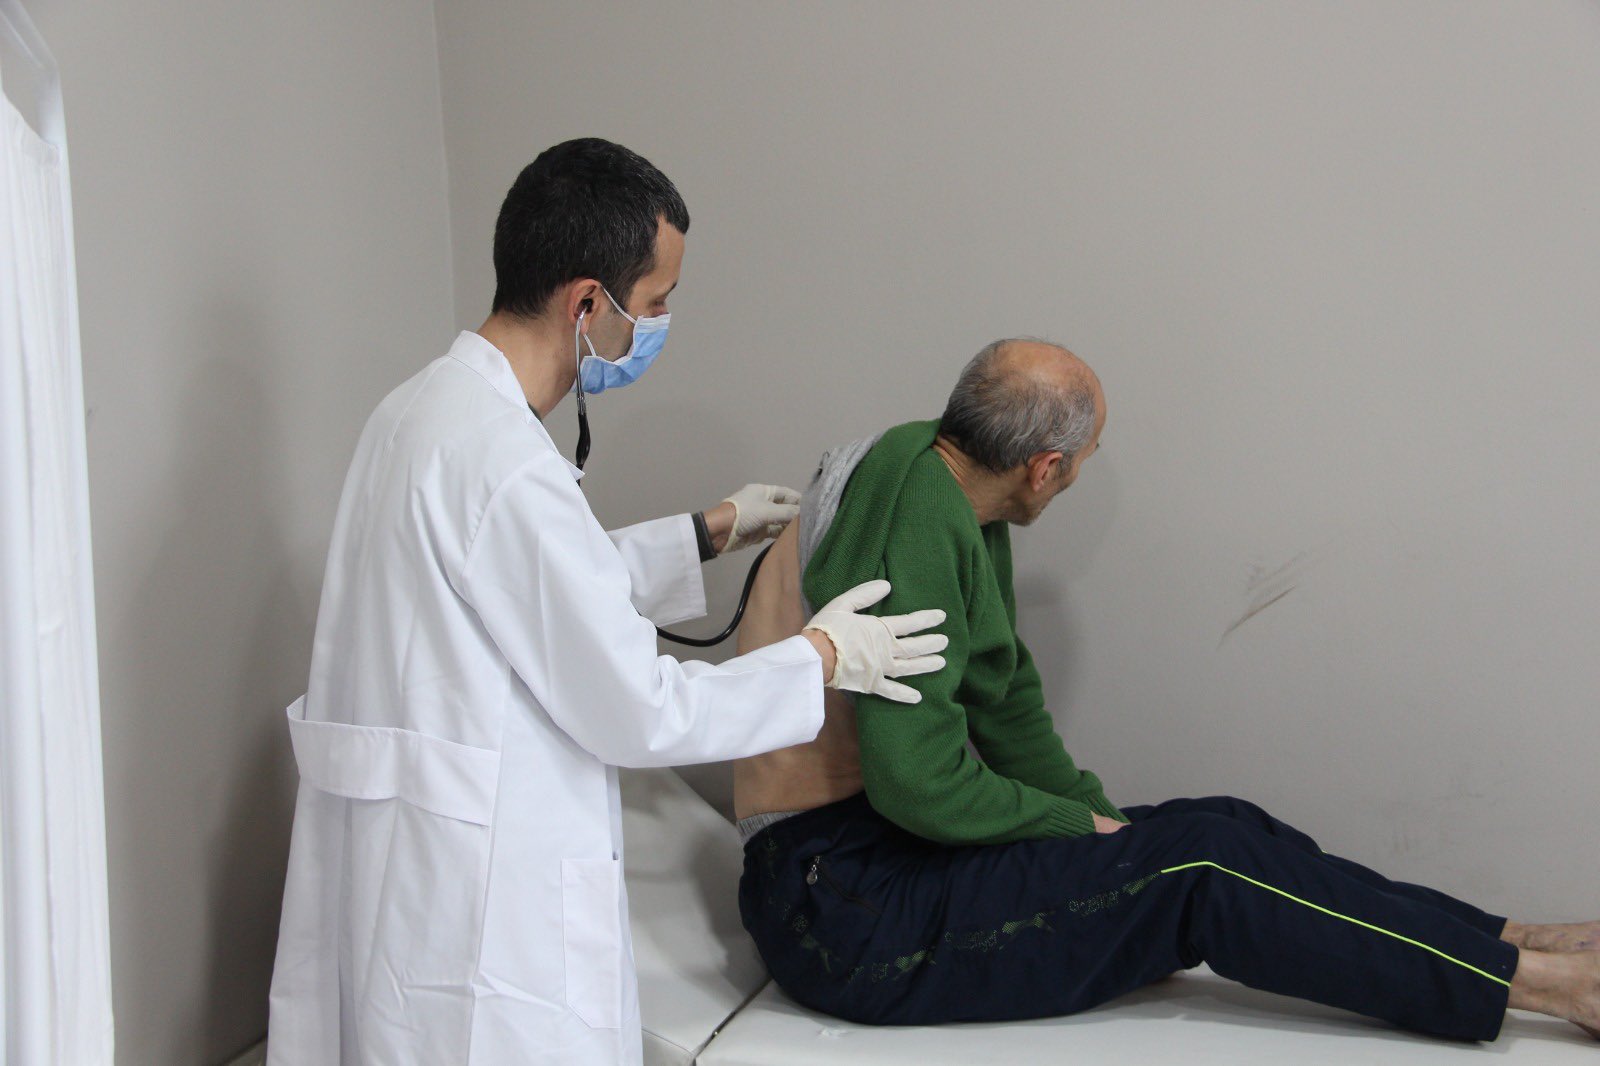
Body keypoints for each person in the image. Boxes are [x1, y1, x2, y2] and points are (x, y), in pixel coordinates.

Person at [266, 138, 949, 1066]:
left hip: (408, 874)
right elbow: (640, 711)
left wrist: (707, 531)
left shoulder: (418, 413)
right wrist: (822, 659)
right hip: (485, 914)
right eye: (656, 303)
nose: (660, 325)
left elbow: (515, 588)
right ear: (587, 304)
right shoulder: (508, 466)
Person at [731, 337, 1600, 1044]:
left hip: (879, 860)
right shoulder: (917, 522)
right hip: (840, 907)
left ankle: (1502, 939)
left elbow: (1004, 704)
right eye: (1084, 460)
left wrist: (1103, 827)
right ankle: (1549, 989)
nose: (1079, 475)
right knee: (1202, 866)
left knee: (1222, 823)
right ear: (1044, 468)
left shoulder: (950, 490)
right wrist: (1080, 831)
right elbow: (916, 783)